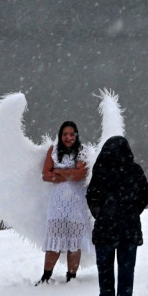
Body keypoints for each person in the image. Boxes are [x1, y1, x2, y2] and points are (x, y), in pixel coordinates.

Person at [86, 136, 148, 296]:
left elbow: (91, 196)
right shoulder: (134, 169)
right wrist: (132, 211)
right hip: (128, 227)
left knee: (105, 267)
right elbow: (146, 194)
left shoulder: (101, 169)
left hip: (105, 227)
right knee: (126, 268)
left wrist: (101, 213)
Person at [38, 121, 92, 284]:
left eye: (71, 134)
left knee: (75, 241)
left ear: (76, 135)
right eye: (65, 134)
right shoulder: (53, 150)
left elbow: (79, 175)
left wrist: (59, 171)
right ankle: (46, 276)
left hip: (77, 203)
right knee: (54, 239)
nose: (68, 137)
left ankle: (71, 277)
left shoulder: (82, 151)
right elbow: (45, 175)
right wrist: (69, 174)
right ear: (60, 136)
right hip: (57, 203)